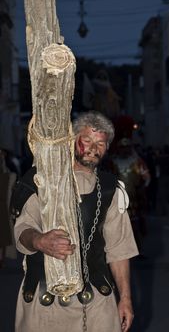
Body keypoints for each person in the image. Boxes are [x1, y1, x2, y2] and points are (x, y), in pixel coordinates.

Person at [12, 111, 138, 332]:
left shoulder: (110, 190)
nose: (93, 147)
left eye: (101, 143)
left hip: (96, 299)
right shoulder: (39, 179)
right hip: (45, 298)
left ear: (107, 148)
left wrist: (125, 298)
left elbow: (119, 250)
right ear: (72, 141)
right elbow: (23, 229)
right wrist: (39, 240)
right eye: (87, 140)